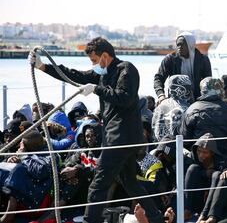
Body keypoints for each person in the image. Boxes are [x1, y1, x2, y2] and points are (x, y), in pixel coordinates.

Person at [29, 37, 163, 223]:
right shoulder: (102, 74)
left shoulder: (127, 69)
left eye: (94, 60)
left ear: (105, 56)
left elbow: (125, 97)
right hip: (118, 138)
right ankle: (156, 218)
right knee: (131, 183)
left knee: (98, 184)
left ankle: (89, 220)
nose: (93, 65)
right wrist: (43, 67)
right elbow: (74, 75)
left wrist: (96, 89)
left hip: (121, 138)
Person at [1, 130, 56, 223]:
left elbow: (40, 171)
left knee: (19, 170)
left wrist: (24, 156)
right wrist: (11, 159)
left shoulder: (50, 154)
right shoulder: (29, 154)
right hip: (27, 190)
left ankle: (9, 214)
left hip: (39, 196)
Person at [180, 77, 227, 157]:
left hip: (199, 158)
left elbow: (185, 140)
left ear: (202, 90)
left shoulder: (192, 109)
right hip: (225, 158)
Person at [154, 31, 211, 104]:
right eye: (178, 45)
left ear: (190, 45)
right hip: (176, 100)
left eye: (182, 45)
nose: (179, 47)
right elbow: (158, 78)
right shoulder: (170, 59)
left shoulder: (203, 60)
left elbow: (208, 80)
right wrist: (161, 95)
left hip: (198, 100)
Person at [185, 133, 227, 220]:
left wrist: (225, 171)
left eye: (205, 152)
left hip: (213, 197)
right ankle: (187, 210)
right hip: (196, 195)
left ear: (212, 153)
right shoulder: (191, 158)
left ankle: (210, 215)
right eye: (199, 151)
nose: (201, 155)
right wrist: (204, 173)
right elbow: (186, 178)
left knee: (216, 175)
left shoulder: (222, 161)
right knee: (193, 168)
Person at [152, 75, 191, 142]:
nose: (188, 91)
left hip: (160, 146)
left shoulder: (161, 105)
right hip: (179, 147)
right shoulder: (185, 107)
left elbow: (154, 126)